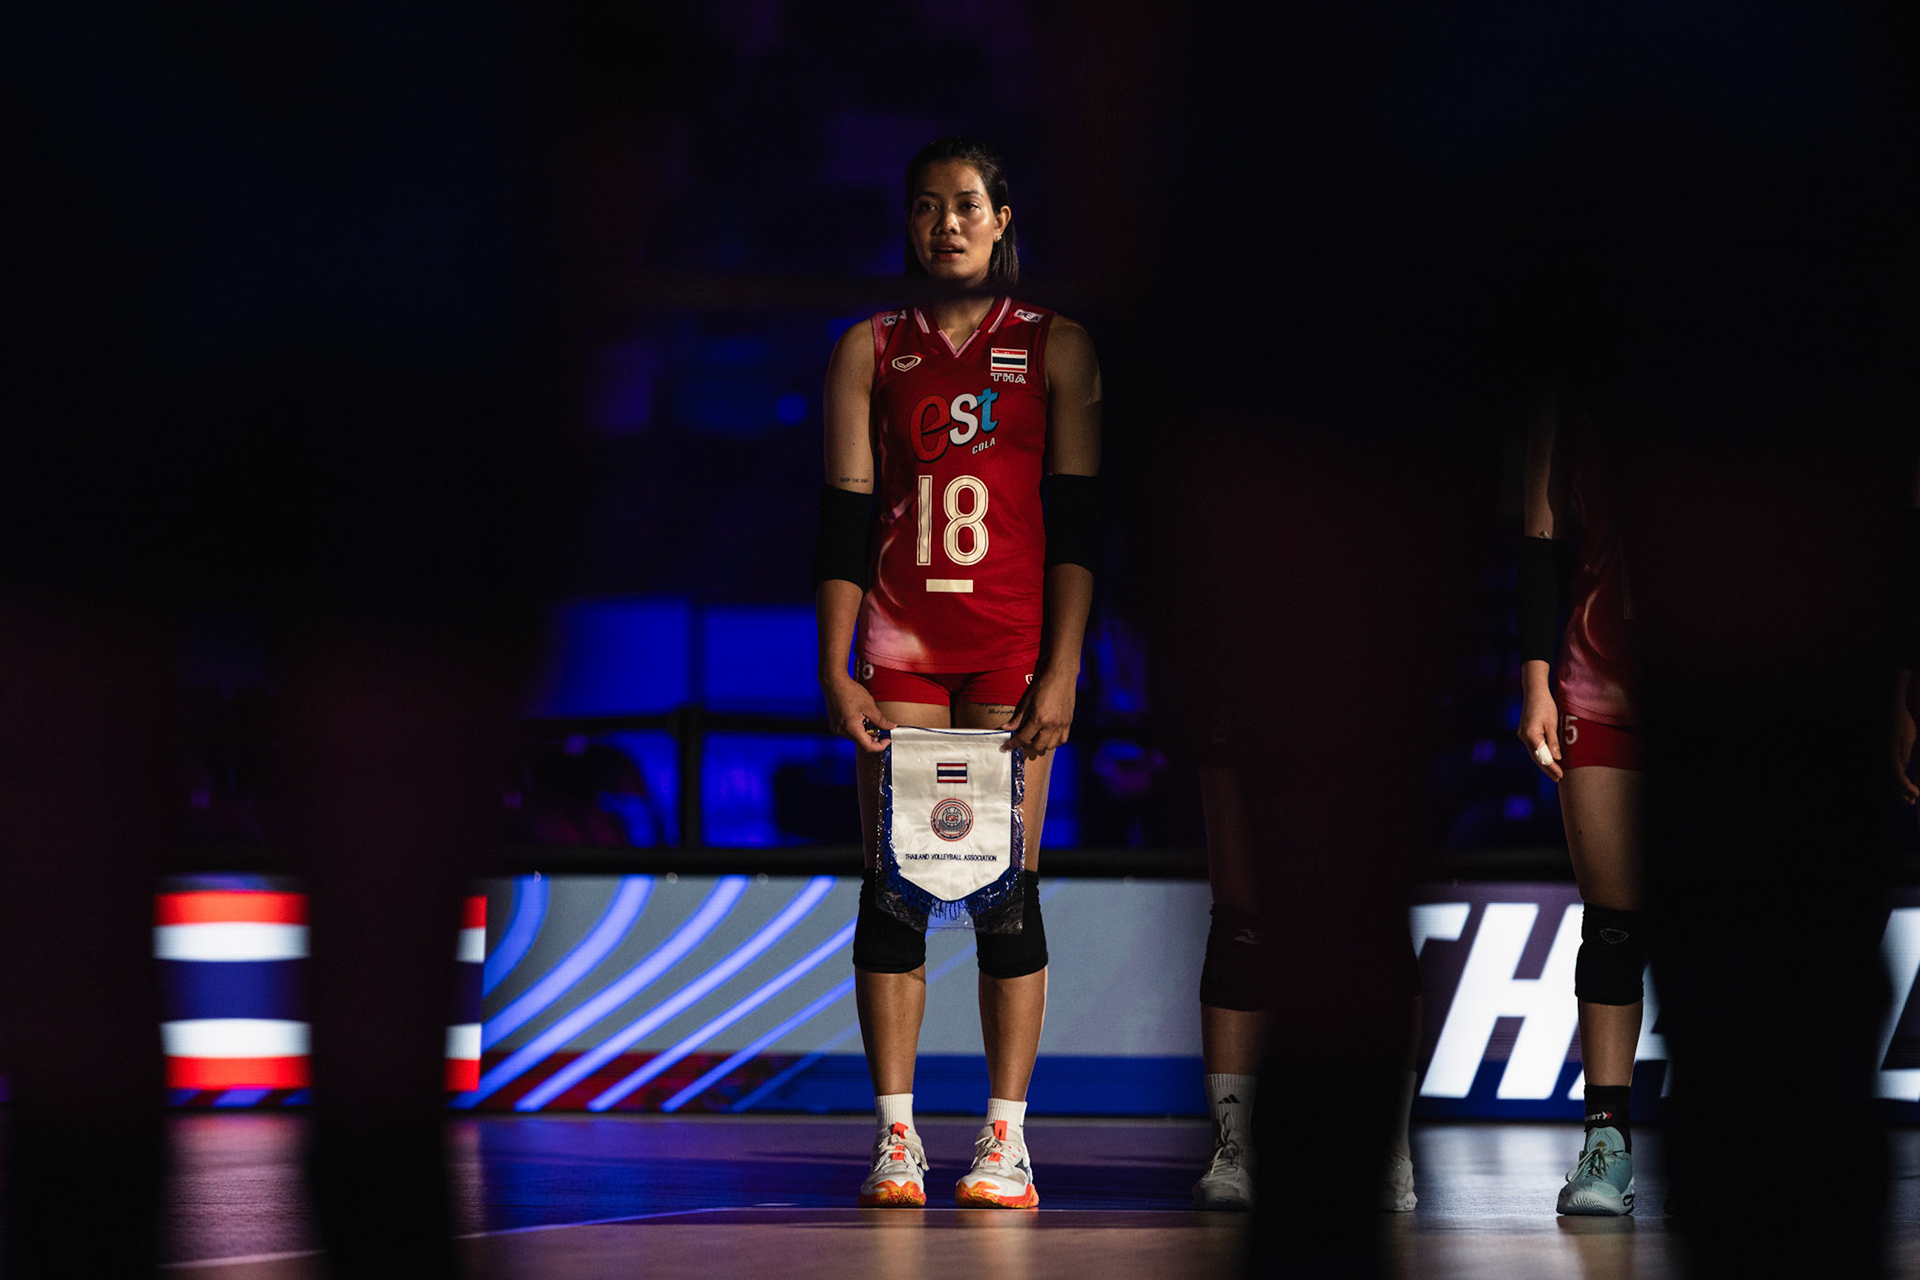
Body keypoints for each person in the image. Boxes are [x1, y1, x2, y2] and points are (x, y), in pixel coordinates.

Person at [812, 136, 1101, 1210]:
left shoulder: (1059, 346)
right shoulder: (869, 348)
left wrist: (1063, 670)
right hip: (901, 648)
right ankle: (896, 1138)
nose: (947, 225)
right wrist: (834, 663)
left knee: (1003, 891)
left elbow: (1078, 529)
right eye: (926, 208)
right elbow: (844, 522)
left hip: (1011, 654)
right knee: (893, 888)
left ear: (1005, 217)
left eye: (967, 206)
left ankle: (1005, 1137)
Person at [1516, 387, 1645, 1216]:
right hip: (1598, 686)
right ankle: (1607, 1142)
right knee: (1612, 922)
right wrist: (1535, 680)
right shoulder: (1568, 400)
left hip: (1737, 692)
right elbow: (1539, 542)